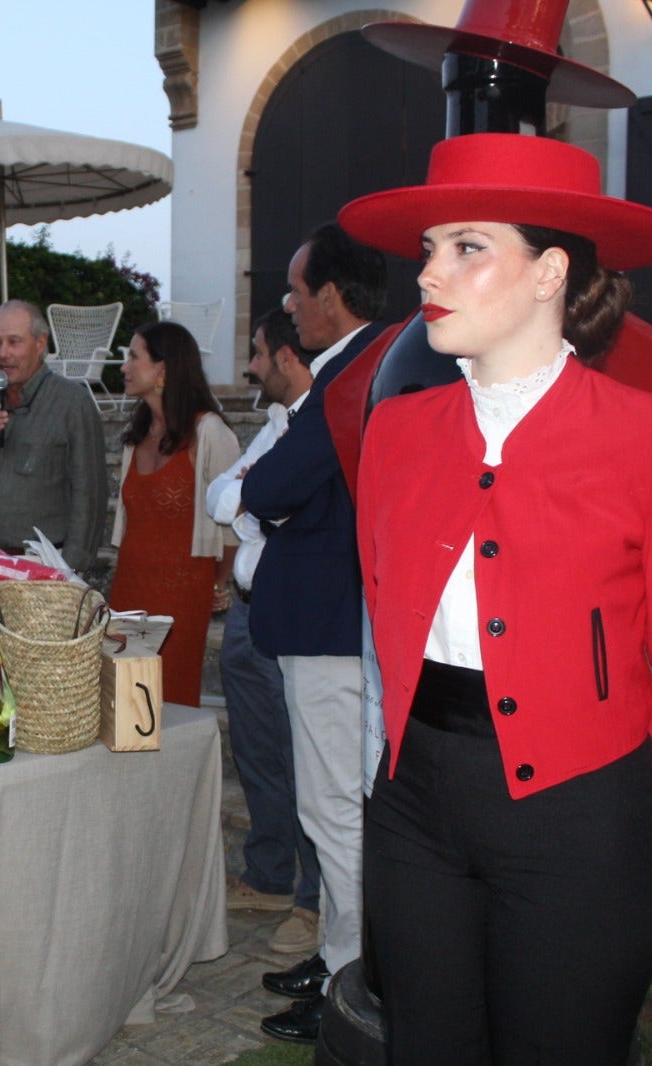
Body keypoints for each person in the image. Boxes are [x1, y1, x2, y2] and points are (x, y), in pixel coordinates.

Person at [340, 132, 652, 1062]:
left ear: (550, 271)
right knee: (425, 1045)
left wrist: (627, 809)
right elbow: (384, 597)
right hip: (414, 802)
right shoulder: (396, 429)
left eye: (467, 247)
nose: (429, 273)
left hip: (583, 810)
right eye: (429, 249)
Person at [242, 222, 387, 1044]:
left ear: (330, 296)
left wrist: (277, 502)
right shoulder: (358, 369)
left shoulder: (352, 375)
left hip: (334, 629)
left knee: (334, 810)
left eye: (297, 292)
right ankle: (339, 956)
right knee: (330, 807)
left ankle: (352, 985)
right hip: (331, 621)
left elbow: (268, 487)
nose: (290, 307)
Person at [205, 310, 321, 955]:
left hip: (288, 611)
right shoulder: (275, 424)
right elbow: (221, 499)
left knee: (303, 758)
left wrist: (252, 499)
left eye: (256, 354)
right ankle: (270, 876)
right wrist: (249, 498)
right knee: (256, 753)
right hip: (246, 611)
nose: (249, 367)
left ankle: (314, 901)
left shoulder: (317, 426)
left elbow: (267, 508)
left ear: (285, 357)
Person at [109, 319, 239, 708]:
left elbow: (234, 522)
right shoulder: (136, 436)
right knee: (122, 700)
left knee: (171, 701)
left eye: (134, 357)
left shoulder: (209, 431)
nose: (124, 366)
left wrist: (217, 584)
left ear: (163, 369)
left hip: (183, 595)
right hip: (129, 587)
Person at [0, 300, 107, 571]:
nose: (3, 353)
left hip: (42, 566)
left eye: (14, 342)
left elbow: (90, 495)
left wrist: (69, 570)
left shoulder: (72, 403)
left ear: (40, 344)